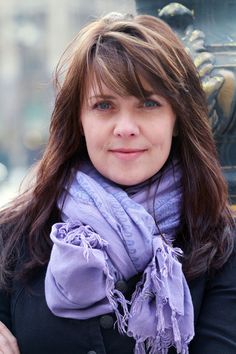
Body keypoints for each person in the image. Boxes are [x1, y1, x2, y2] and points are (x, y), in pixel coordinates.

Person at [0, 12, 235, 354]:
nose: (125, 127)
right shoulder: (16, 238)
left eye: (148, 104)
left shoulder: (221, 248)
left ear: (177, 120)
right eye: (104, 105)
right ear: (78, 120)